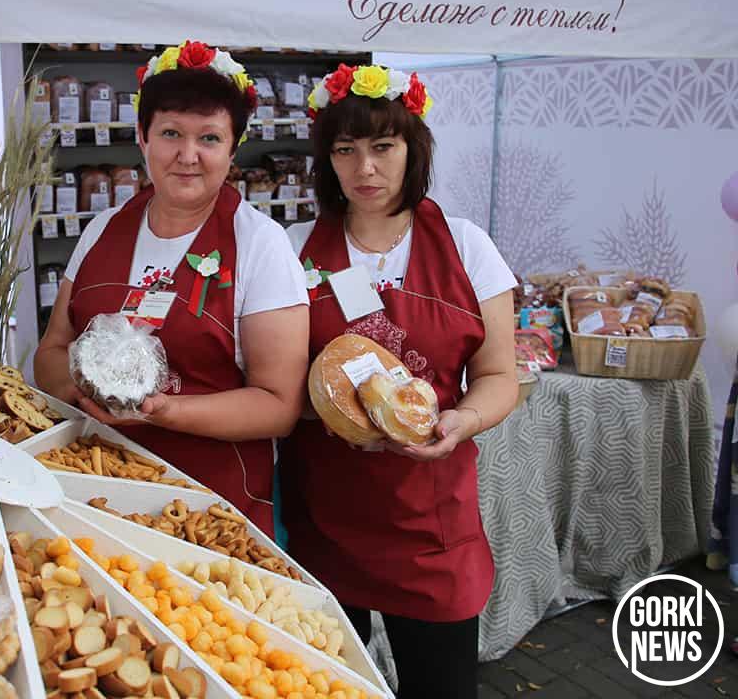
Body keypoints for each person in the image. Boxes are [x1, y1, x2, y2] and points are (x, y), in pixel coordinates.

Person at [279, 64, 518, 698]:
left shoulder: (466, 246)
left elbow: (499, 374)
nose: (365, 168)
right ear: (327, 159)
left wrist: (462, 420)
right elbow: (271, 376)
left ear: (414, 148)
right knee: (330, 686)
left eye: (383, 146)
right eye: (345, 150)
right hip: (324, 517)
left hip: (431, 522)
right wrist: (321, 407)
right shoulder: (293, 248)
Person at [34, 41, 309, 534]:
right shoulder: (103, 229)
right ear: (142, 137)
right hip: (95, 493)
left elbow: (278, 404)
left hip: (210, 513)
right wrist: (86, 383)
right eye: (170, 133)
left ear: (233, 149)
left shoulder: (261, 244)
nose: (187, 155)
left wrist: (164, 412)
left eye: (209, 138)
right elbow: (52, 351)